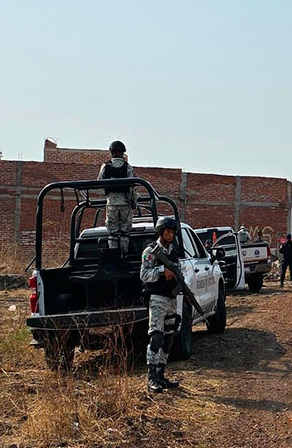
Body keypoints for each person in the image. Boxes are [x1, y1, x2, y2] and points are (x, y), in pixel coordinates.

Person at [140, 217, 182, 393]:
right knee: (156, 337)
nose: (171, 235)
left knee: (169, 336)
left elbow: (178, 273)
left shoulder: (173, 251)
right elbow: (143, 275)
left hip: (171, 298)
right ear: (161, 232)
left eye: (173, 232)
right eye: (168, 232)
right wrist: (161, 271)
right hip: (157, 299)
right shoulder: (151, 251)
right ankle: (152, 378)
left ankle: (161, 374)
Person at [97, 140, 134, 253]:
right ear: (123, 153)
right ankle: (124, 255)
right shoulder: (128, 168)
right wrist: (133, 201)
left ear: (111, 152)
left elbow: (99, 182)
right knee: (125, 232)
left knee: (112, 232)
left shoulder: (105, 166)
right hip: (125, 203)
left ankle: (114, 255)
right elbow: (132, 187)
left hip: (111, 202)